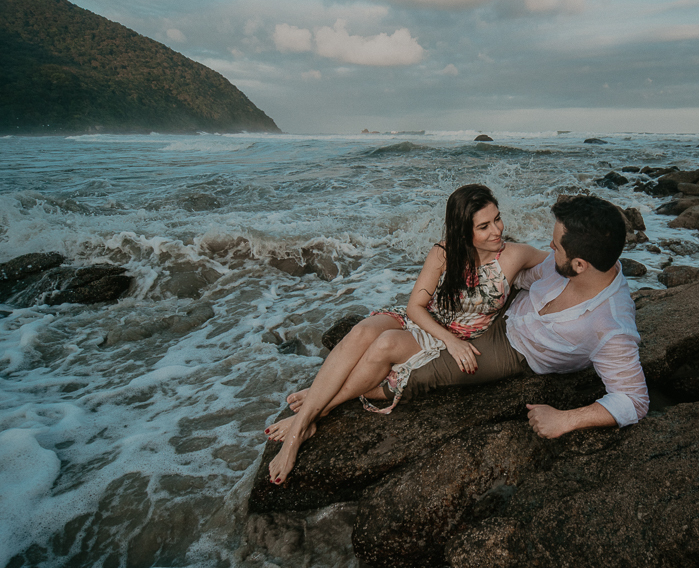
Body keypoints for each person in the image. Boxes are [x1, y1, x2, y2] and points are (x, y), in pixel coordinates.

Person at [264, 184, 547, 485]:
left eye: (497, 219)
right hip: (426, 323)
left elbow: (564, 264)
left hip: (443, 336)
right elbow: (415, 307)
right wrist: (451, 341)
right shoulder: (443, 252)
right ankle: (309, 415)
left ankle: (306, 420)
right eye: (484, 226)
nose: (497, 230)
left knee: (384, 345)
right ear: (463, 231)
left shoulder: (515, 255)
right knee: (360, 333)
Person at [384, 194, 649, 439]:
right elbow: (519, 277)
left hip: (514, 350)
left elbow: (634, 401)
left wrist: (566, 419)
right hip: (503, 308)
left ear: (579, 265)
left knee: (413, 373)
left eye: (555, 247)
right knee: (396, 333)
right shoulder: (569, 263)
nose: (549, 248)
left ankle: (368, 389)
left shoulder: (611, 326)